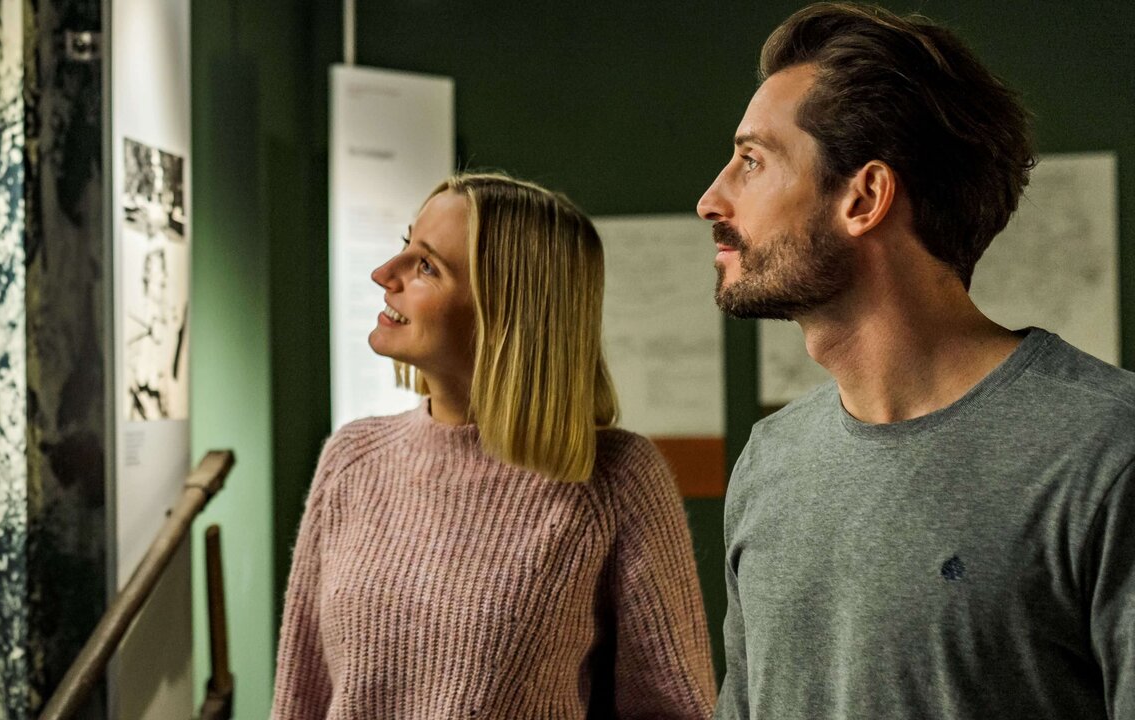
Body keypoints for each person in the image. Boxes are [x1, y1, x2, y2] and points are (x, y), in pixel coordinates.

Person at [699, 4, 1135, 718]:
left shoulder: (1108, 452)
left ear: (864, 197)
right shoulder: (769, 462)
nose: (710, 198)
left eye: (752, 161)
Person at [273, 172, 716, 719]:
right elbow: (301, 695)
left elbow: (674, 710)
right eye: (403, 247)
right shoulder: (352, 459)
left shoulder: (615, 479)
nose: (384, 275)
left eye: (427, 266)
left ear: (504, 311)